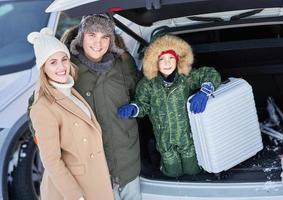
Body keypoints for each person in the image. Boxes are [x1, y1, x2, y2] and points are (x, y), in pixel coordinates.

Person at [28, 28, 114, 200]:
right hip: (74, 190)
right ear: (43, 68)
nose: (61, 67)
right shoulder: (42, 107)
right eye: (53, 62)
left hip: (94, 181)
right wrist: (75, 196)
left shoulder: (70, 91)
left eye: (64, 59)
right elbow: (51, 161)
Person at [118, 35, 221, 177]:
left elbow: (209, 73)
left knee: (193, 171)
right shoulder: (148, 84)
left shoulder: (186, 77)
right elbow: (143, 105)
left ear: (178, 59)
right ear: (155, 62)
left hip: (188, 139)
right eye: (162, 59)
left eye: (171, 58)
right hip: (164, 141)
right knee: (172, 173)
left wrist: (204, 91)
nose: (167, 63)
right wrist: (134, 109)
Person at [62, 14, 141, 200]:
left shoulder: (123, 63)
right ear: (81, 36)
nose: (99, 43)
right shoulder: (67, 67)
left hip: (128, 161)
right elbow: (40, 104)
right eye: (92, 35)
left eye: (105, 37)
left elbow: (143, 93)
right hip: (92, 167)